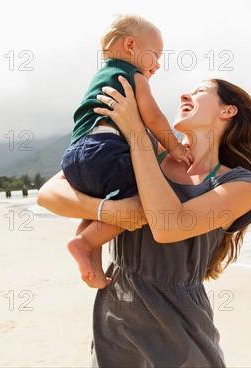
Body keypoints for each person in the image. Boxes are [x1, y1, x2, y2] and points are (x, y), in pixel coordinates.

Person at [38, 76, 251, 367]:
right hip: (114, 313)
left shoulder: (240, 184)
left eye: (199, 92)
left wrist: (138, 134)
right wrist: (108, 210)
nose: (184, 96)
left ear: (228, 111)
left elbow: (168, 226)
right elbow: (48, 194)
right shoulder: (148, 149)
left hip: (180, 324)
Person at [62, 14, 193, 288]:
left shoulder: (100, 76)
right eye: (156, 55)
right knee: (145, 199)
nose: (158, 64)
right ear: (131, 45)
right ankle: (84, 242)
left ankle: (92, 266)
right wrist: (175, 146)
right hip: (105, 152)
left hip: (75, 155)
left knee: (98, 211)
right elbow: (153, 117)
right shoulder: (133, 75)